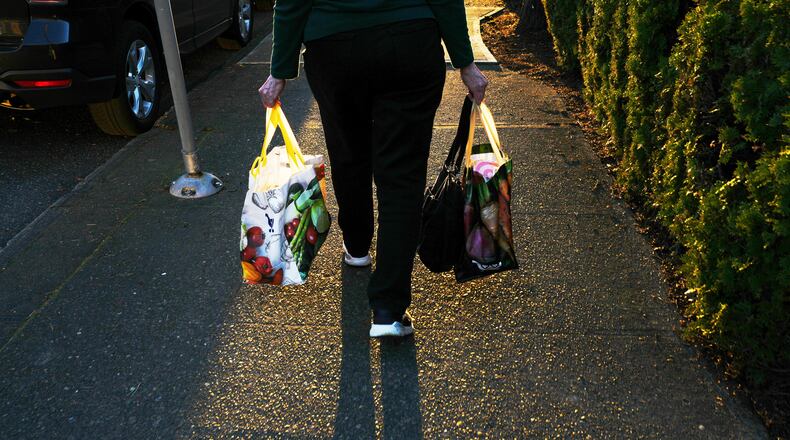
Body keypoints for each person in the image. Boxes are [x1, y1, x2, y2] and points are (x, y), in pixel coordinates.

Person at [259, 0, 488, 339]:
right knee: (401, 176)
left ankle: (357, 245)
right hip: (410, 41)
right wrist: (465, 63)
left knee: (348, 151)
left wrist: (280, 71)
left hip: (333, 46)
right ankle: (388, 309)